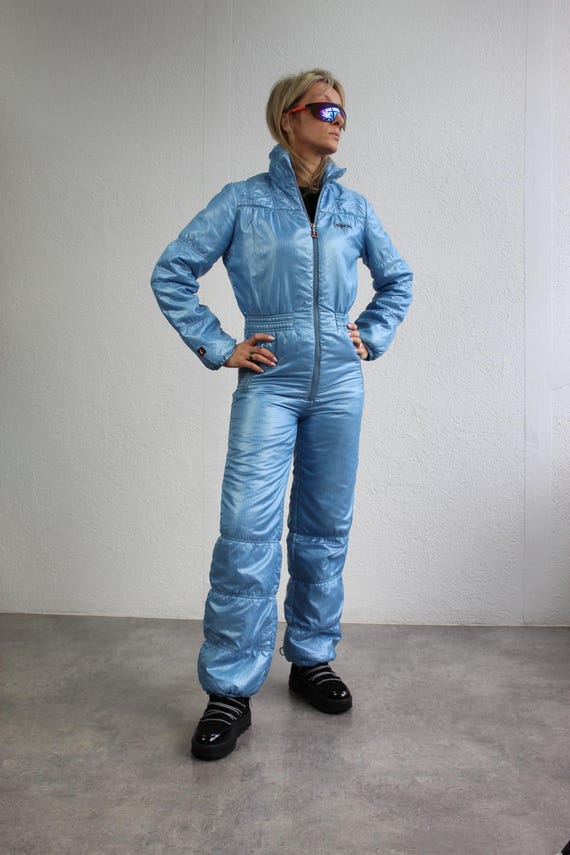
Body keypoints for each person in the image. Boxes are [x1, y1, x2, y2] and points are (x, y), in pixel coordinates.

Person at [151, 69, 413, 760]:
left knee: (325, 526)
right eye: (325, 109)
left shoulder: (354, 208)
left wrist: (370, 333)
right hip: (270, 381)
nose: (338, 120)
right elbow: (172, 271)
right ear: (287, 118)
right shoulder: (242, 201)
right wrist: (219, 345)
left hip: (340, 387)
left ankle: (311, 658)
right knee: (247, 531)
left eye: (343, 112)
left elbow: (398, 280)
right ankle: (229, 690)